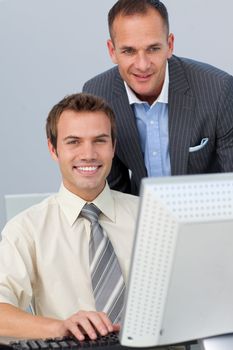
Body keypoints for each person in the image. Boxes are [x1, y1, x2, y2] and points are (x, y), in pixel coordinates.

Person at [0, 93, 138, 340]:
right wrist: (59, 327)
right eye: (73, 142)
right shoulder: (26, 229)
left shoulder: (150, 216)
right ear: (53, 149)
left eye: (100, 140)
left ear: (113, 147)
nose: (88, 154)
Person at [83, 0, 233, 195]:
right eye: (129, 51)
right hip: (137, 216)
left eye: (153, 49)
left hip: (206, 217)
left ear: (169, 45)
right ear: (112, 51)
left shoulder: (218, 90)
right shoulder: (98, 95)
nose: (143, 65)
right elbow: (113, 191)